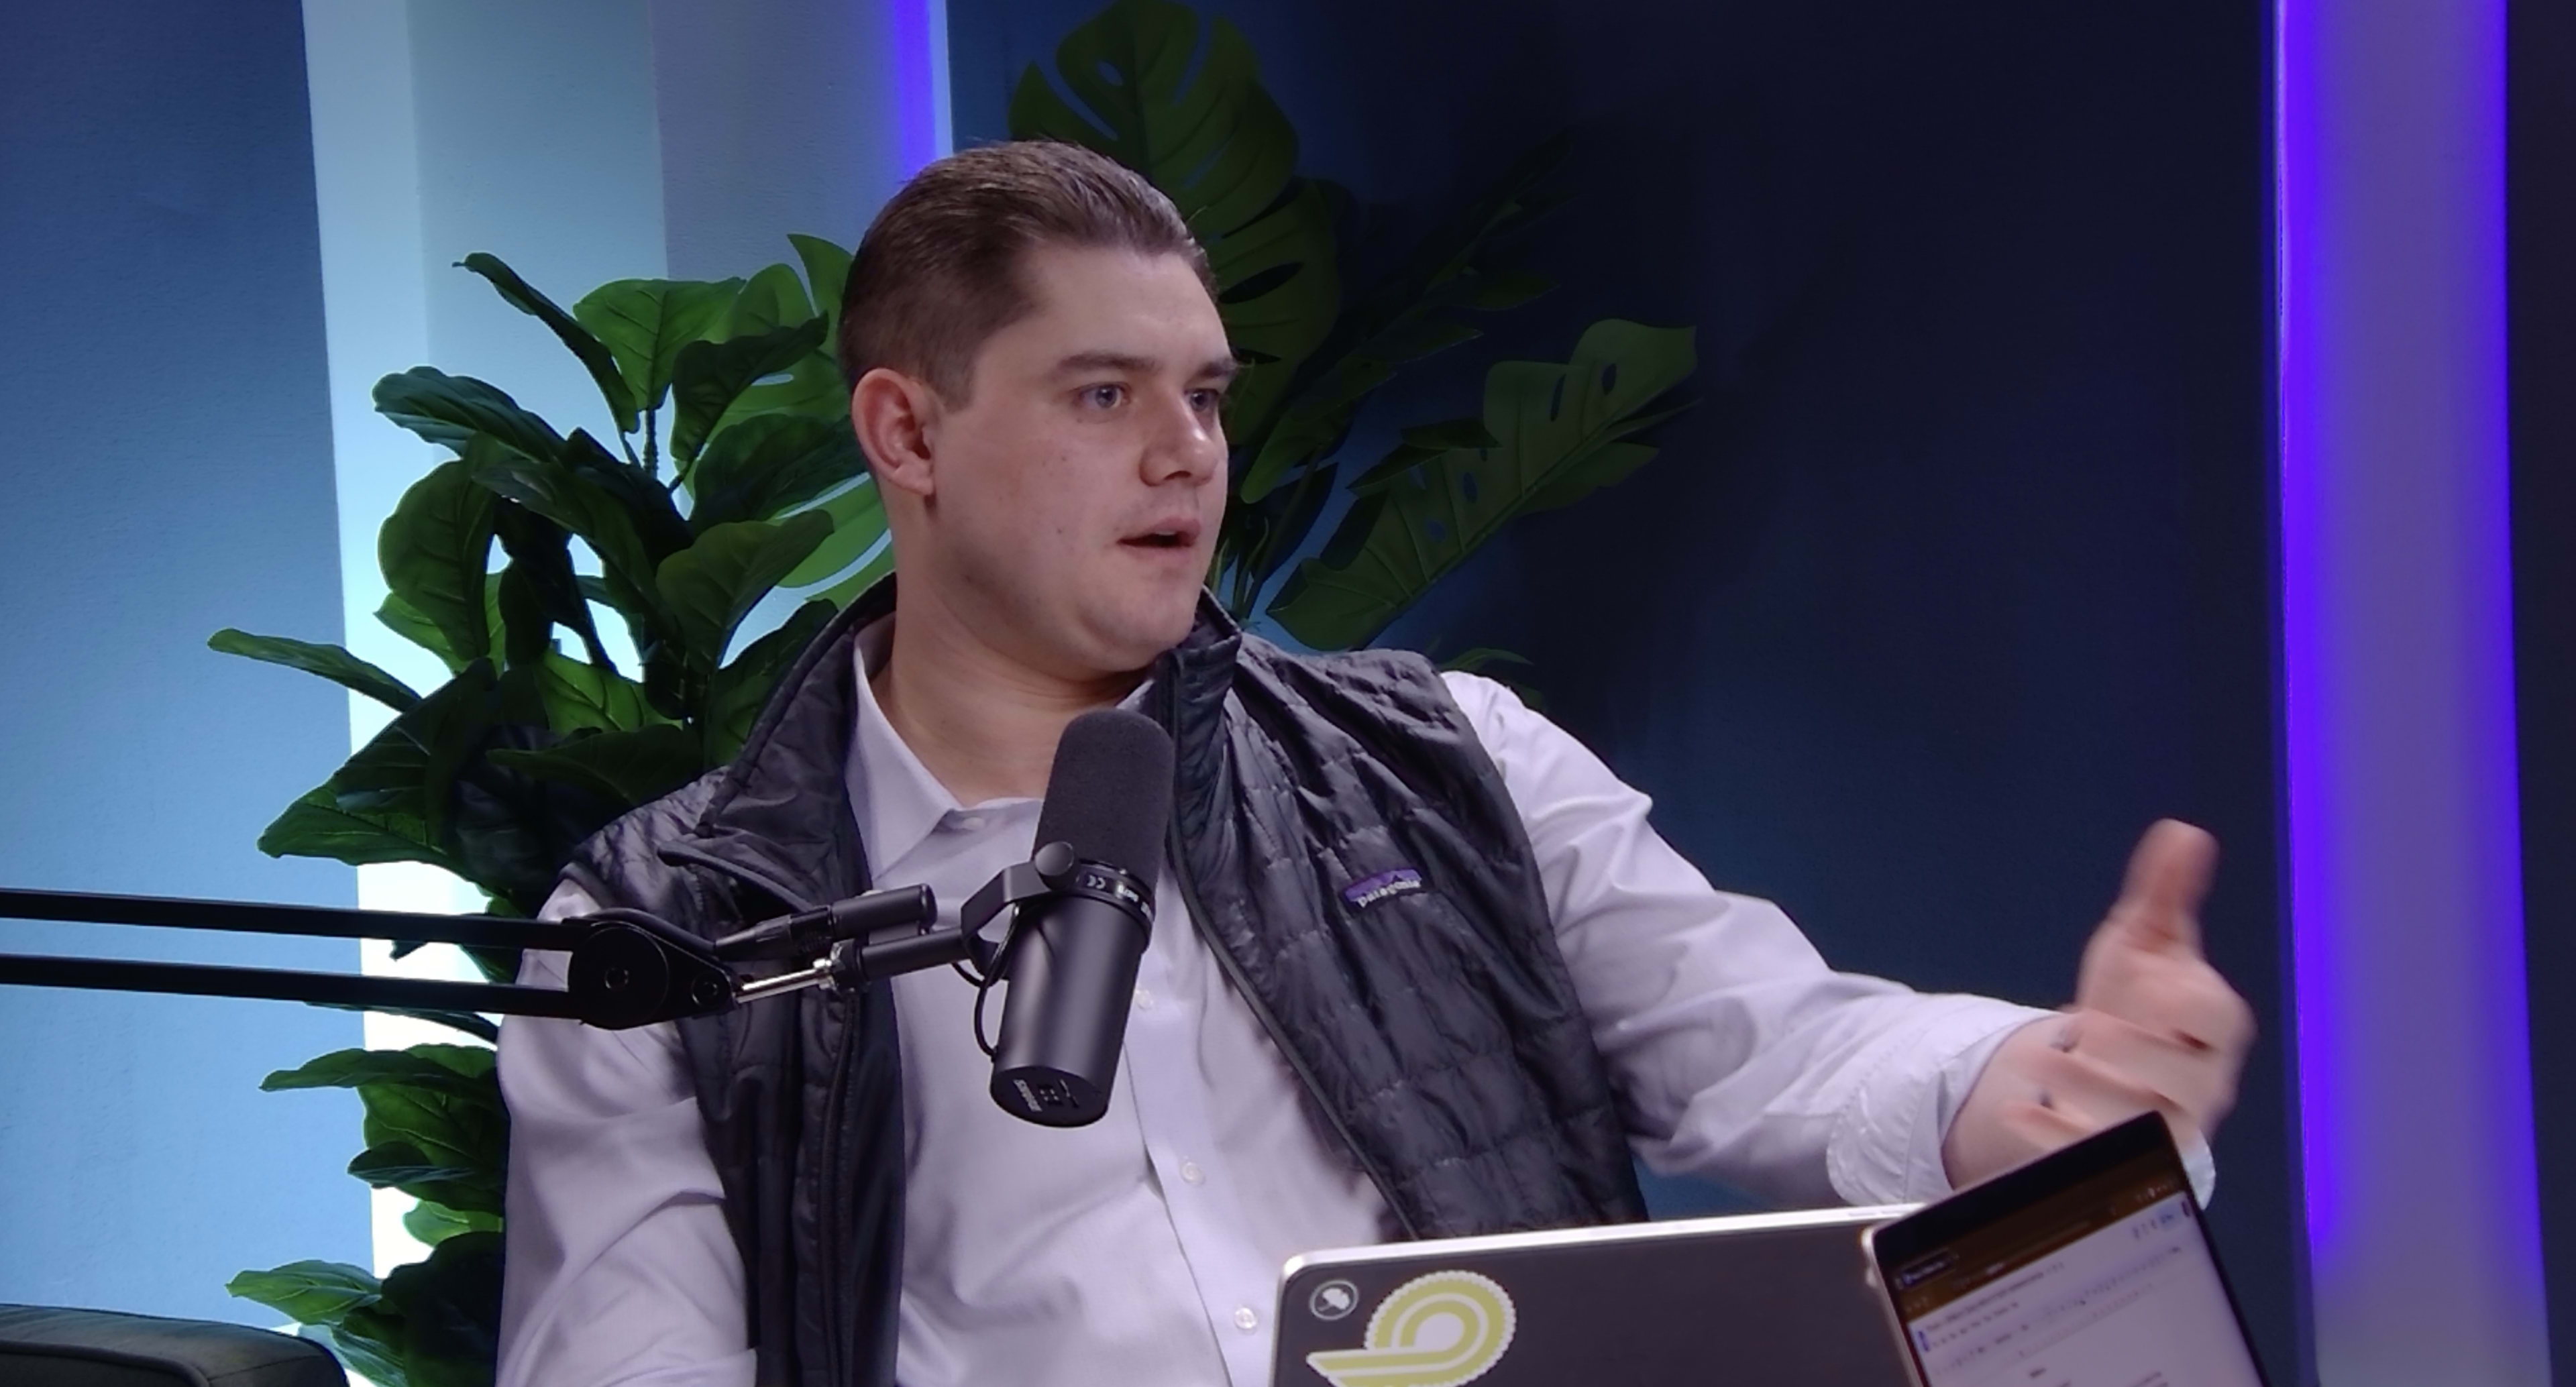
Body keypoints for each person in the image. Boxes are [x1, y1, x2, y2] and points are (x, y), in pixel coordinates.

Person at [494, 141, 2254, 1387]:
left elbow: (1770, 1042)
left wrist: (2031, 1078)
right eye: (1104, 395)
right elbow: (625, 1353)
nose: (1187, 455)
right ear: (907, 431)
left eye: (1205, 394)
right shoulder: (674, 923)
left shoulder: (1440, 757)